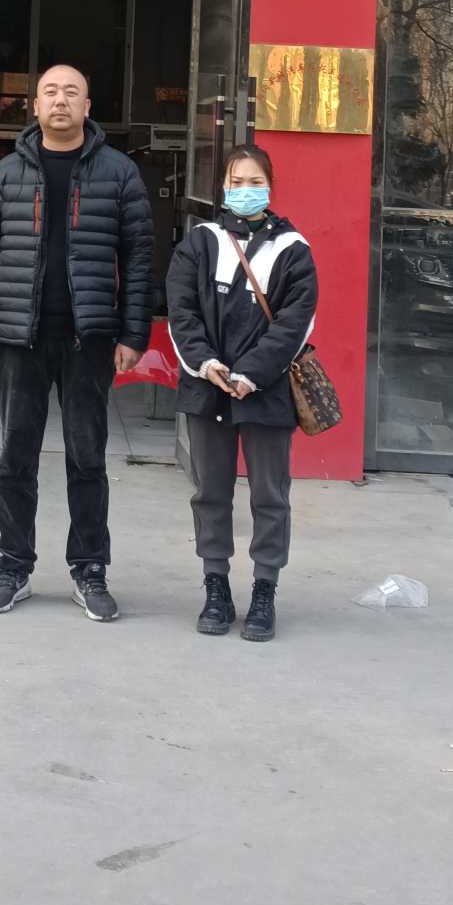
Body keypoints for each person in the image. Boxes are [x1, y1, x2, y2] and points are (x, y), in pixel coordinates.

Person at [0, 64, 154, 622]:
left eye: (71, 93)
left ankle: (90, 570)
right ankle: (13, 566)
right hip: (20, 336)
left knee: (87, 458)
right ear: (36, 106)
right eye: (50, 92)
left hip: (88, 339)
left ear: (88, 107)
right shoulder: (8, 173)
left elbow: (140, 258)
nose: (60, 100)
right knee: (15, 458)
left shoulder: (120, 173)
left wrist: (133, 333)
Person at [165, 143, 318, 644]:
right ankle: (216, 586)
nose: (245, 190)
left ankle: (264, 590)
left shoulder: (293, 249)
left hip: (266, 392)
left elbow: (295, 323)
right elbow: (181, 312)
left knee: (270, 495)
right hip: (206, 388)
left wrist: (251, 373)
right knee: (210, 491)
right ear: (223, 186)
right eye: (237, 182)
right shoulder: (200, 242)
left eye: (255, 182)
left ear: (270, 187)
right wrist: (206, 364)